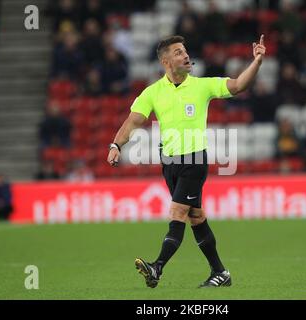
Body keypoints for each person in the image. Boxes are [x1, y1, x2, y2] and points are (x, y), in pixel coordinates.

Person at [107, 35, 266, 288]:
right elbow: (133, 122)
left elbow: (237, 86)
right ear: (166, 61)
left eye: (185, 51)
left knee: (177, 213)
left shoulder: (202, 86)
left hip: (194, 161)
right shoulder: (153, 92)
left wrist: (256, 62)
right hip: (169, 164)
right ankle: (220, 272)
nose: (186, 55)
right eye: (179, 52)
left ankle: (157, 267)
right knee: (196, 217)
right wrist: (116, 144)